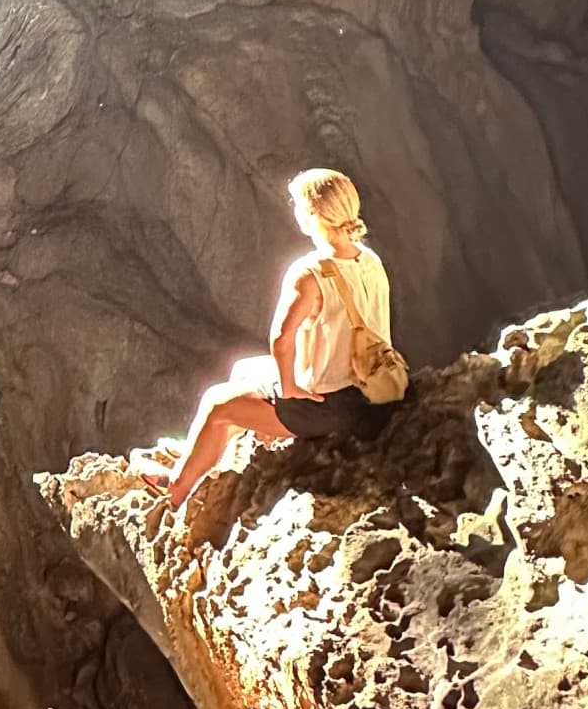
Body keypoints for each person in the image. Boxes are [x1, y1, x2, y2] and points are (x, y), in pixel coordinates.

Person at [139, 168, 401, 511]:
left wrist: (290, 389)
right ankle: (204, 455)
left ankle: (175, 489)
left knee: (217, 402)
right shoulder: (369, 260)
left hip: (333, 407)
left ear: (312, 214)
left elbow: (281, 339)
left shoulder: (310, 272)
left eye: (298, 203)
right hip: (376, 392)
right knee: (244, 370)